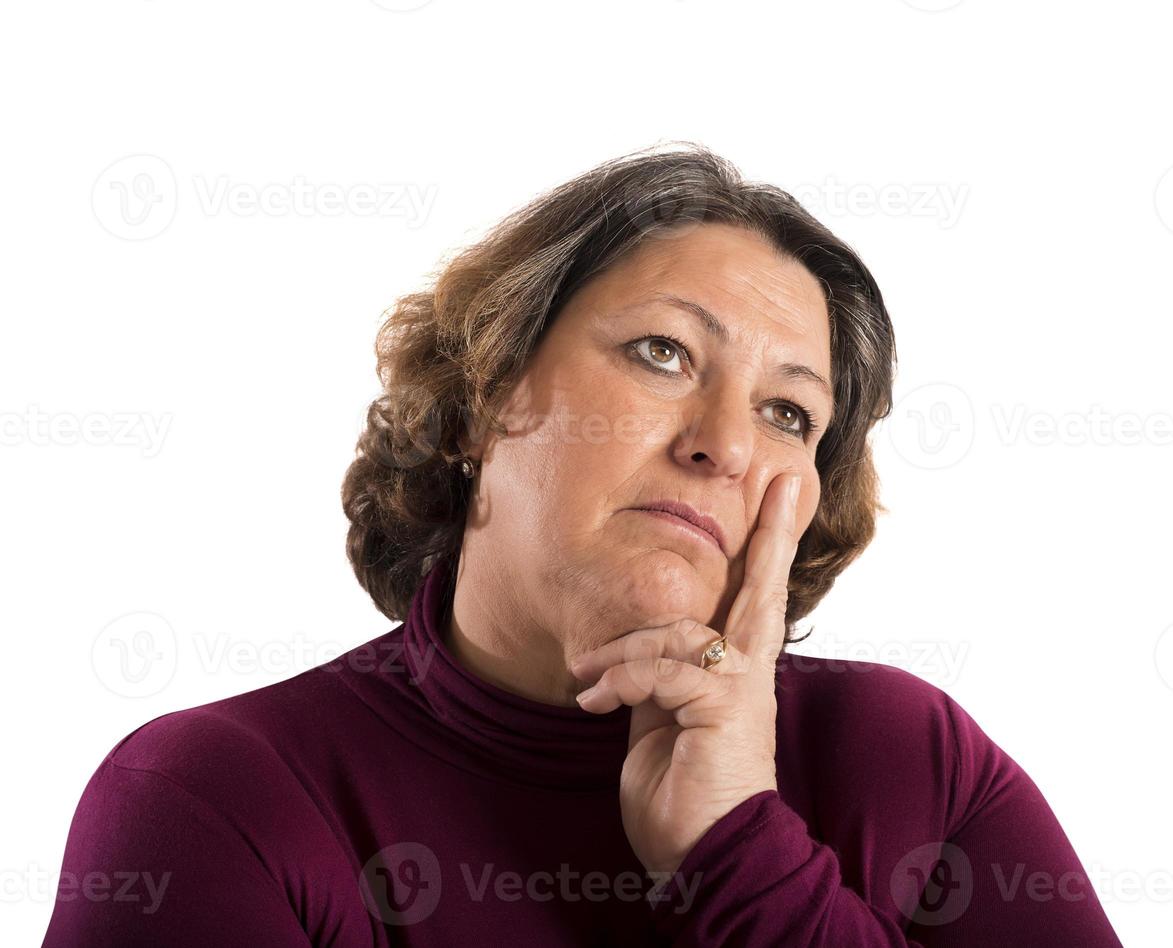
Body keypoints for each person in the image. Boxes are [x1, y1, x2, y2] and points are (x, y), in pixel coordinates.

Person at [42, 144, 1123, 946]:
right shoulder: (218, 796)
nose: (726, 445)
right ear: (484, 394)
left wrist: (743, 848)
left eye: (790, 413)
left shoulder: (910, 759)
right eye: (663, 351)